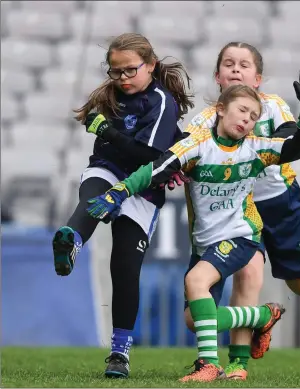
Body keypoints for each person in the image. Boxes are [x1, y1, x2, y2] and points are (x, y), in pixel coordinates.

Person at [85, 83, 300, 382]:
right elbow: (155, 170)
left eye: (253, 116)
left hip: (241, 235)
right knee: (195, 319)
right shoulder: (196, 145)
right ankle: (261, 316)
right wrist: (119, 192)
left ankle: (208, 365)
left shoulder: (257, 148)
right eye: (242, 111)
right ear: (220, 110)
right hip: (204, 243)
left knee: (195, 280)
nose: (247, 119)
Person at [183, 42, 300, 380]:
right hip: (234, 209)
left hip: (279, 203)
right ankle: (239, 361)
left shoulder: (271, 106)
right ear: (217, 76)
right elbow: (184, 153)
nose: (235, 69)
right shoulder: (203, 121)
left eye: (243, 64)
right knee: (235, 285)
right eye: (228, 63)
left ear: (258, 78)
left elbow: (289, 135)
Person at [51, 33, 193, 378]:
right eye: (116, 72)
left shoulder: (160, 101)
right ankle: (72, 241)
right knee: (92, 199)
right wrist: (105, 134)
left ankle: (119, 353)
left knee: (125, 266)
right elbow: (114, 146)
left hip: (143, 184)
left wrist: (108, 133)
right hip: (107, 168)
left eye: (131, 71)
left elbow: (152, 158)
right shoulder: (111, 94)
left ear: (151, 65)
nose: (123, 79)